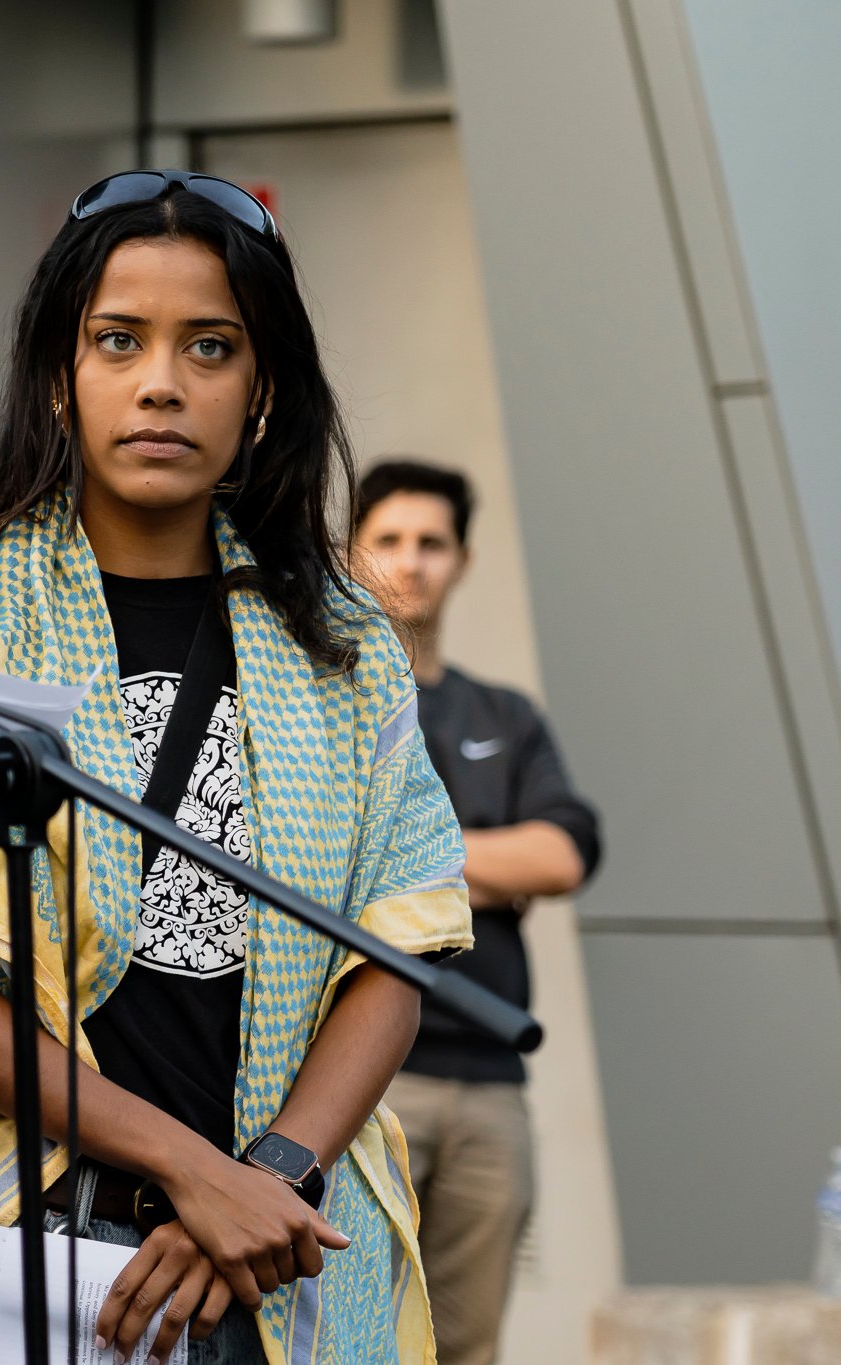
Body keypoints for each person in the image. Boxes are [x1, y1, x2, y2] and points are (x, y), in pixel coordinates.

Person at [0, 171, 474, 1364]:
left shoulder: (347, 641)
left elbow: (392, 953)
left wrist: (265, 1178)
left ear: (262, 389)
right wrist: (191, 1171)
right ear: (59, 375)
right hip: (16, 1253)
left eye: (209, 347)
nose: (160, 382)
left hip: (286, 1253)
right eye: (116, 341)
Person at [351, 459, 602, 1365]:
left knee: (469, 1348)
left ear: (463, 559)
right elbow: (326, 859)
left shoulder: (505, 713)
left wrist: (410, 858)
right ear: (351, 552)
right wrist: (495, 864)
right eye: (388, 539)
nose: (410, 560)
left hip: (494, 1079)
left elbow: (563, 855)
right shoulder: (327, 701)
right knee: (346, 1336)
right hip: (364, 1075)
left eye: (432, 542)